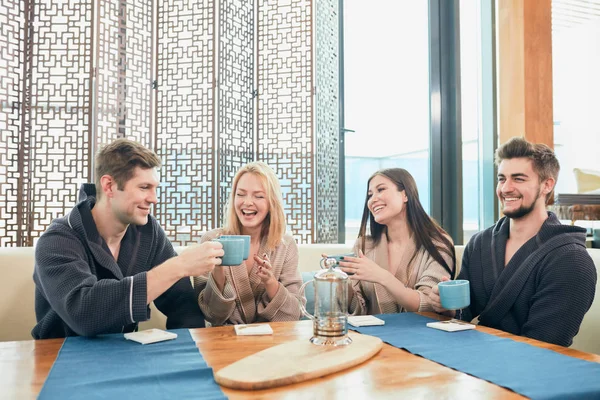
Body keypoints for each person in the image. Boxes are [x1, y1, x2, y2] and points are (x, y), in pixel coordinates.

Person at [32, 139, 224, 339]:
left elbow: (182, 304)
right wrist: (179, 266)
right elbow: (83, 313)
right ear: (109, 186)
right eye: (144, 187)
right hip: (60, 358)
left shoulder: (148, 232)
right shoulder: (57, 240)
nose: (154, 198)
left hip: (126, 355)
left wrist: (180, 353)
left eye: (155, 188)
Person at [429, 137, 597, 347]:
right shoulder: (481, 243)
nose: (505, 188)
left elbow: (544, 345)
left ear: (547, 185)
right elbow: (465, 310)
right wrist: (449, 308)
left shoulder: (571, 261)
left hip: (533, 371)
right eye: (502, 179)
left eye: (518, 179)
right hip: (473, 360)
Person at [193, 162, 303, 325]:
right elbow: (211, 314)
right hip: (224, 340)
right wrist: (218, 270)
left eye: (258, 196)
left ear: (271, 202)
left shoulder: (285, 245)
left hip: (272, 340)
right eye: (241, 194)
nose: (247, 202)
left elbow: (294, 314)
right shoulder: (211, 241)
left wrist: (270, 282)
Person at [337, 168, 455, 315]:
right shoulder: (363, 246)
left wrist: (382, 276)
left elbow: (429, 304)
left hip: (421, 334)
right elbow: (356, 307)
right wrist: (338, 282)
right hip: (371, 336)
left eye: (381, 189)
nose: (373, 199)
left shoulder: (437, 244)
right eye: (370, 195)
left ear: (405, 194)